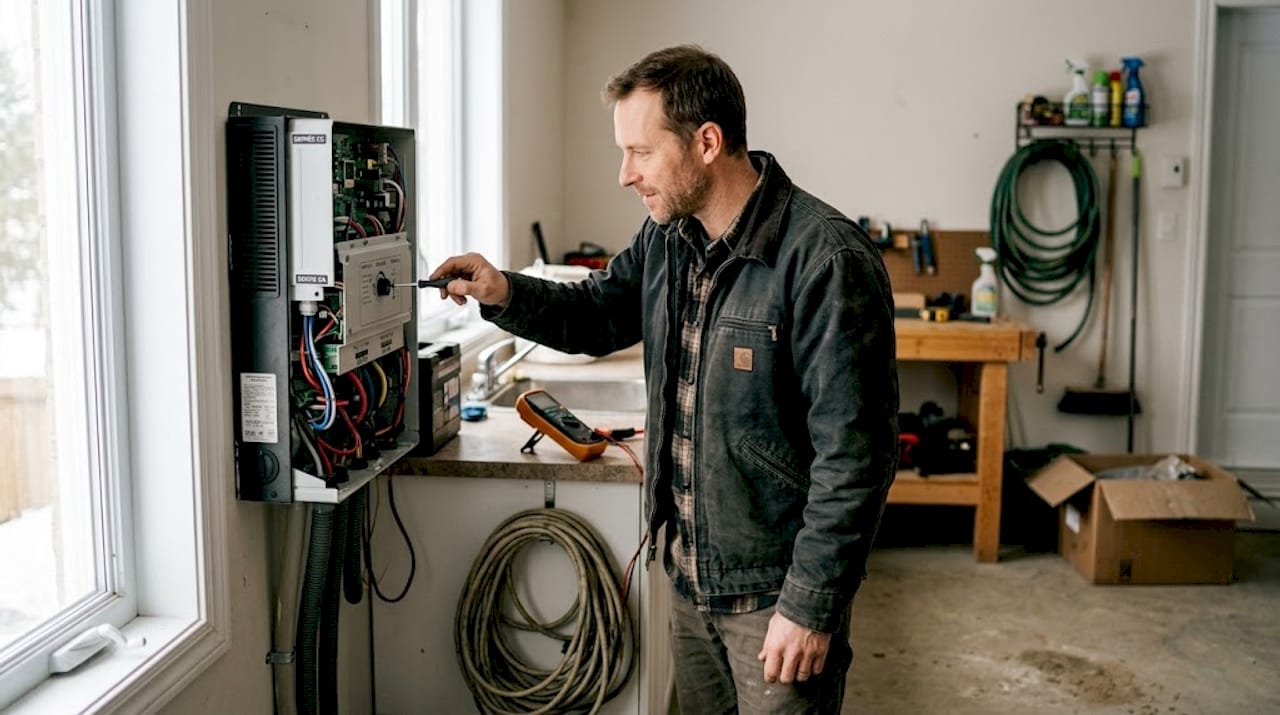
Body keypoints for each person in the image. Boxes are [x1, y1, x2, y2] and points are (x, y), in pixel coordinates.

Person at [431, 44, 898, 714]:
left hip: (772, 600)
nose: (625, 174)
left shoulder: (825, 259)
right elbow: (595, 315)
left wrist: (810, 604)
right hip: (686, 581)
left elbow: (857, 456)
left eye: (641, 152)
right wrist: (503, 290)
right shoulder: (668, 239)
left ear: (706, 142)